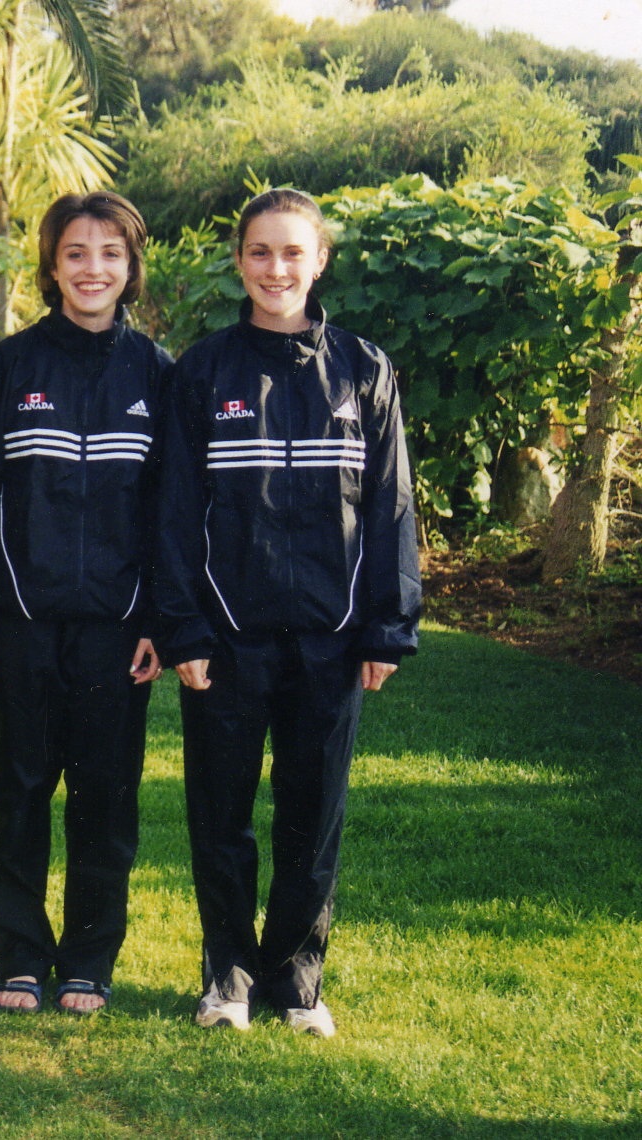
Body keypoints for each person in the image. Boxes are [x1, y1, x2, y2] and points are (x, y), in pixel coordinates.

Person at [152, 188, 420, 1038]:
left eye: (293, 252)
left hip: (331, 642)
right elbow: (172, 512)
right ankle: (227, 980)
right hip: (226, 642)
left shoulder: (364, 370)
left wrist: (387, 626)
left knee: (313, 819)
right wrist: (185, 628)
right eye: (260, 252)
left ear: (320, 261)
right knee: (221, 819)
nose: (276, 269)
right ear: (240, 261)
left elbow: (391, 506)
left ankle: (298, 983)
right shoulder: (203, 372)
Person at [0, 191, 167, 1016]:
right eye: (76, 253)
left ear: (131, 267)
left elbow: (173, 514)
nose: (92, 269)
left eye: (110, 253)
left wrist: (160, 621)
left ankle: (88, 962)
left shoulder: (159, 376)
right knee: (19, 793)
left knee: (104, 801)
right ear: (51, 265)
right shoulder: (6, 370)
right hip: (20, 626)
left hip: (119, 631)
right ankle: (19, 958)